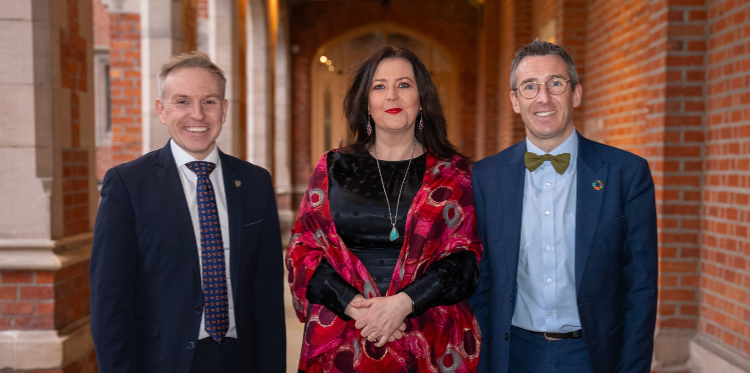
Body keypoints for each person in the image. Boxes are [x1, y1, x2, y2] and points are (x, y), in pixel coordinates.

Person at [286, 45, 482, 373]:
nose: (392, 95)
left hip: (426, 341)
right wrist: (358, 309)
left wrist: (402, 305)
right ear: (366, 103)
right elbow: (301, 251)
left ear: (422, 100)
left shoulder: (453, 173)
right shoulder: (333, 167)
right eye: (379, 86)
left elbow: (466, 260)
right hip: (343, 342)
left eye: (404, 85)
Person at [469, 40, 658, 373]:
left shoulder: (626, 173)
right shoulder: (487, 177)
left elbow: (640, 287)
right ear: (515, 100)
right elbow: (481, 281)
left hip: (593, 355)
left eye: (555, 83)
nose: (543, 98)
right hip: (513, 355)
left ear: (576, 93)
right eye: (530, 87)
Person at [90, 51, 286, 373]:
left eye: (209, 102)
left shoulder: (254, 182)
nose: (197, 114)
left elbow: (266, 296)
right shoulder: (128, 184)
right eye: (182, 102)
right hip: (162, 360)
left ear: (224, 110)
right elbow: (109, 300)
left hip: (241, 357)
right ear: (161, 111)